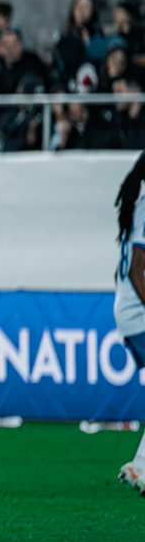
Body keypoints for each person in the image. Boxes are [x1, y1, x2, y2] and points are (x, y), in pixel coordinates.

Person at [112, 151, 145, 495]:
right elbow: (138, 268)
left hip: (127, 311)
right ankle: (141, 465)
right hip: (139, 314)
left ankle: (140, 465)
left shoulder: (135, 205)